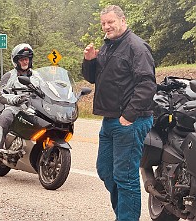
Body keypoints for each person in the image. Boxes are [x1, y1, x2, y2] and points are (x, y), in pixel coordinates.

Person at [82, 5, 157, 221]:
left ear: (123, 21)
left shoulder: (136, 47)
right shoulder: (108, 47)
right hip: (110, 119)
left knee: (125, 177)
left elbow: (147, 85)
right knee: (105, 170)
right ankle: (123, 215)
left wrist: (129, 116)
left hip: (130, 121)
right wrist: (89, 60)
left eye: (110, 22)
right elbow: (94, 78)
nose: (106, 26)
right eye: (103, 23)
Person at [0, 43, 40, 161]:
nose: (25, 62)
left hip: (33, 107)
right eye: (22, 59)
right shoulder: (9, 76)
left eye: (27, 59)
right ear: (16, 61)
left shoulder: (37, 76)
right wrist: (16, 99)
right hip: (14, 108)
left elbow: (45, 89)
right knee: (5, 117)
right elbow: (1, 95)